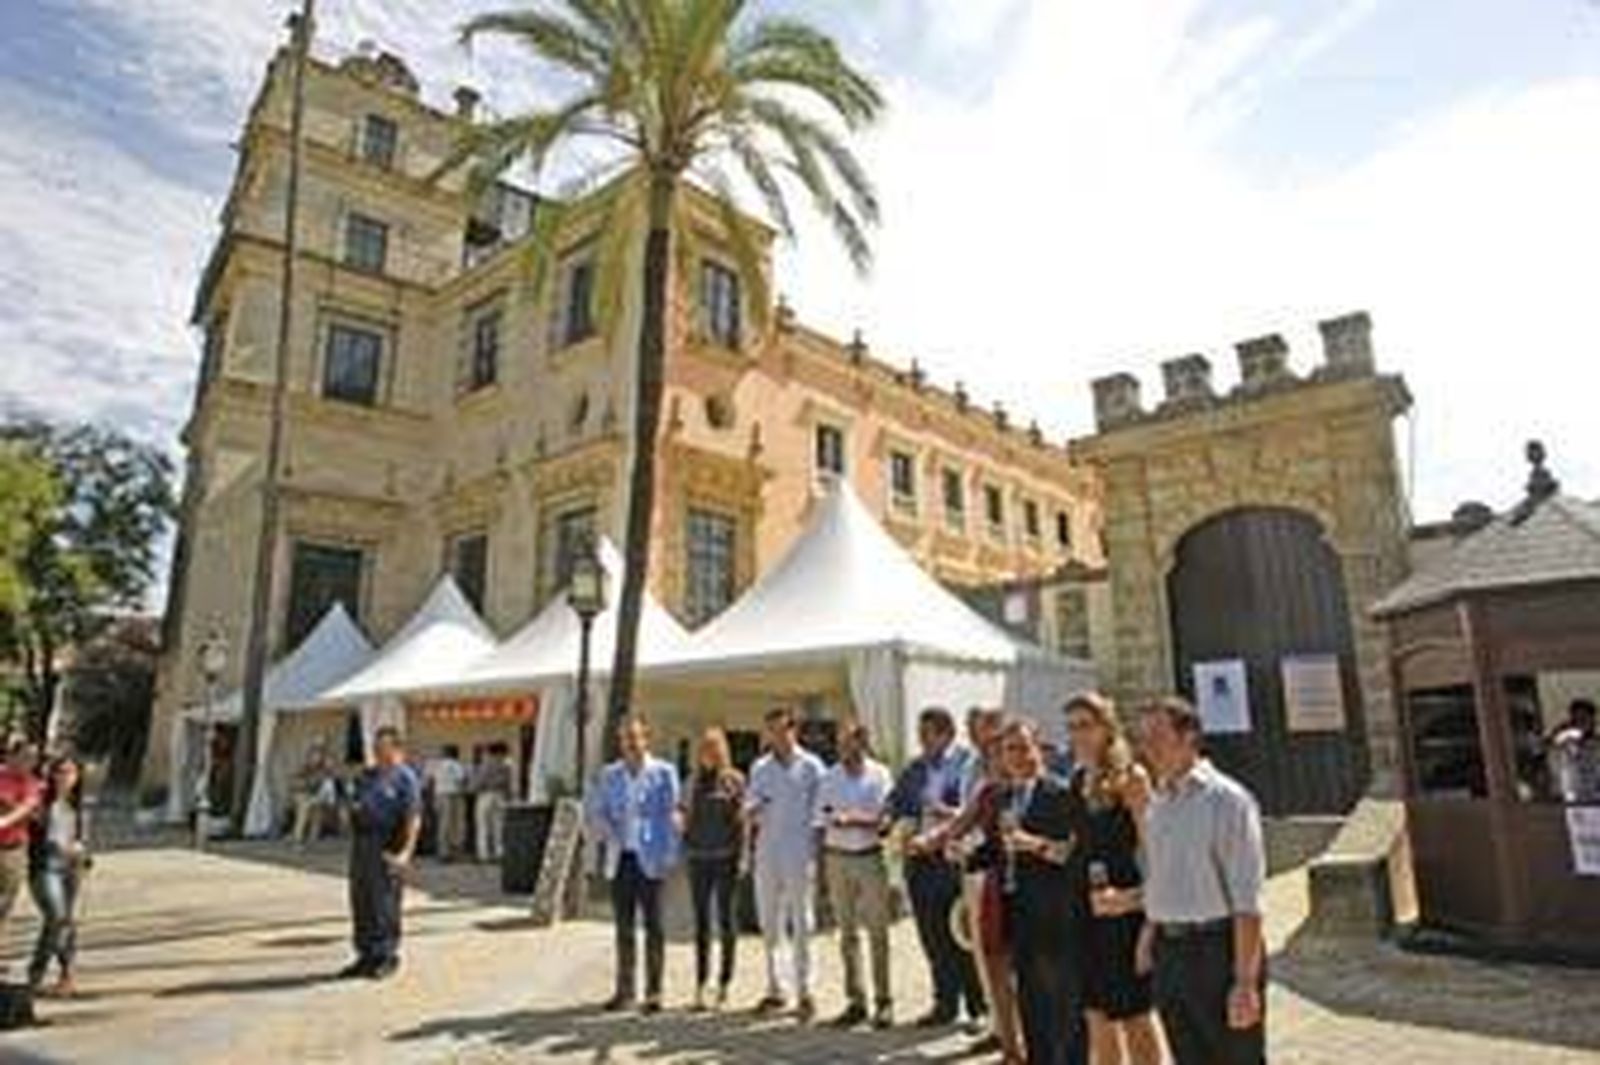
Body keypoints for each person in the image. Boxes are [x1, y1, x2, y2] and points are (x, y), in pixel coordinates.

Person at [1136, 696, 1266, 1065]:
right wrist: (1150, 934)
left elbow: (1248, 901)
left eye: (1157, 736)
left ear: (1189, 736)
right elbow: (1160, 877)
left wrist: (1244, 982)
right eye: (1143, 738)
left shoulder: (1227, 800)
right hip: (1170, 955)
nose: (1147, 748)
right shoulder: (1158, 804)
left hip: (1218, 952)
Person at [987, 717, 1091, 1065]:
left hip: (1056, 916)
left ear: (1038, 748)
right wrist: (967, 852)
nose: (1017, 756)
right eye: (1008, 750)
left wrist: (1036, 845)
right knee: (1030, 1001)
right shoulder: (1004, 797)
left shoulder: (1060, 793)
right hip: (1018, 913)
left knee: (1064, 1005)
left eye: (1022, 747)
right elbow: (997, 850)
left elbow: (1075, 854)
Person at [1064, 694, 1160, 1065]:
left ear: (1107, 727)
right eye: (1071, 727)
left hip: (1122, 911)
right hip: (1083, 911)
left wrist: (1139, 908)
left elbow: (1156, 853)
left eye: (1085, 725)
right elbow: (1077, 848)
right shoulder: (1077, 780)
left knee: (1135, 1018)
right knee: (1096, 1017)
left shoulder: (1131, 777)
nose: (1078, 735)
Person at [888, 706, 986, 1029]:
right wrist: (893, 822)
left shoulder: (967, 764)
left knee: (961, 936)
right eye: (920, 734)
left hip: (953, 860)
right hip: (920, 862)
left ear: (946, 734)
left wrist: (949, 813)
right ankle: (944, 1004)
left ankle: (978, 1008)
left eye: (927, 734)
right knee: (932, 937)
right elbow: (896, 804)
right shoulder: (914, 769)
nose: (922, 741)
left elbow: (976, 809)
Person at [588, 716, 680, 1014]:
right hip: (621, 858)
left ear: (646, 738)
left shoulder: (664, 772)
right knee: (623, 928)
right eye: (625, 738)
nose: (629, 742)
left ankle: (654, 992)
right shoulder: (609, 774)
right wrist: (606, 829)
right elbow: (597, 811)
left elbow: (672, 818)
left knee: (655, 927)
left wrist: (669, 856)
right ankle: (624, 991)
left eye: (635, 736)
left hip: (651, 858)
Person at [746, 705, 825, 1021]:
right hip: (766, 852)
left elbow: (821, 815)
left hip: (799, 853)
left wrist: (817, 856)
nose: (776, 737)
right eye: (771, 731)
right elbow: (751, 804)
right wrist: (750, 809)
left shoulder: (812, 767)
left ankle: (806, 990)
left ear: (794, 730)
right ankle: (777, 988)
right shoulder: (760, 768)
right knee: (769, 922)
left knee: (803, 922)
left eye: (782, 730)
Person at [814, 722, 894, 1029]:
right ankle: (856, 1001)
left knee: (878, 933)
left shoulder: (880, 774)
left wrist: (857, 819)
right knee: (847, 935)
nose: (842, 748)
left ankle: (884, 1001)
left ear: (862, 742)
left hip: (870, 858)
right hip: (837, 858)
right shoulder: (829, 777)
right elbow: (820, 819)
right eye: (840, 743)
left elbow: (886, 818)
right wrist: (821, 870)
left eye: (848, 742)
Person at [340, 726, 422, 980]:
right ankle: (365, 955)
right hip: (362, 845)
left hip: (388, 843)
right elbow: (355, 801)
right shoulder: (367, 775)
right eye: (375, 747)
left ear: (396, 748)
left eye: (382, 747)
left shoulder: (404, 777)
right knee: (361, 899)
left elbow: (413, 818)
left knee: (384, 902)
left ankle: (386, 955)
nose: (377, 752)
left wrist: (406, 853)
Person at [681, 727, 744, 1011]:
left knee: (727, 921)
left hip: (725, 858)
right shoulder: (692, 782)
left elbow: (743, 823)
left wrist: (744, 859)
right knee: (702, 924)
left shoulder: (734, 781)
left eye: (714, 747)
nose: (708, 752)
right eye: (704, 747)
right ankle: (701, 982)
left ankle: (725, 982)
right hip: (698, 858)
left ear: (722, 751)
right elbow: (683, 814)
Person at [28, 755, 89, 996]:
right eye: (61, 772)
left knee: (67, 922)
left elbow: (81, 836)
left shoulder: (78, 804)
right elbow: (34, 833)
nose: (65, 777)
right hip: (45, 867)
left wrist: (82, 849)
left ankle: (66, 976)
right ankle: (35, 973)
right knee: (57, 916)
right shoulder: (41, 801)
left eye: (71, 772)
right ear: (52, 775)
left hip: (71, 867)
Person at [0, 735, 43, 970]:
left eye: (34, 758)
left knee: (4, 903)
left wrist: (6, 815)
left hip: (12, 850)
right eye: (26, 756)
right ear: (11, 755)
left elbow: (27, 809)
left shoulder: (32, 784)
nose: (31, 761)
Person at [1549, 699, 1600, 803]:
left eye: (1586, 718)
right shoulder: (1565, 738)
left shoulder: (1595, 741)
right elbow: (1550, 743)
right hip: (1572, 796)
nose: (1582, 722)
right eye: (1579, 718)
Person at [472, 744, 514, 862]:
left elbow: (479, 781)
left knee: (483, 825)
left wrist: (474, 789)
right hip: (500, 795)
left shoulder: (485, 764)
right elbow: (508, 783)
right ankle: (499, 852)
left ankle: (483, 854)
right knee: (498, 825)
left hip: (485, 795)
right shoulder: (506, 765)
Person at [426, 745, 468, 862]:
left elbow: (431, 781)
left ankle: (442, 851)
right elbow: (462, 780)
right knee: (455, 825)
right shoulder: (456, 765)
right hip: (453, 795)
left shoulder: (436, 765)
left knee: (442, 824)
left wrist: (432, 797)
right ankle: (454, 851)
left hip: (439, 795)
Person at [291, 743, 337, 846]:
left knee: (319, 811)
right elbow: (297, 783)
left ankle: (313, 838)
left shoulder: (324, 770)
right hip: (303, 795)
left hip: (316, 797)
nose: (317, 758)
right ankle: (297, 838)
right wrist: (308, 783)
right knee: (304, 809)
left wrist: (329, 771)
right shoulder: (304, 768)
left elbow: (329, 785)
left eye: (319, 755)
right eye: (315, 755)